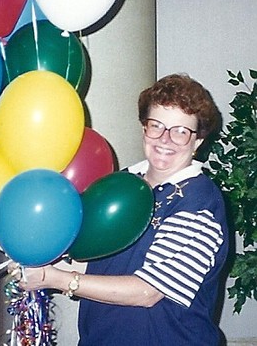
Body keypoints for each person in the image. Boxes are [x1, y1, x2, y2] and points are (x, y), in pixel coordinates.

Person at [15, 73, 228, 346]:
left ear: (197, 141)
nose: (165, 139)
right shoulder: (123, 182)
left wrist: (55, 279)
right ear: (144, 129)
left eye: (180, 131)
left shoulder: (200, 202)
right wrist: (12, 245)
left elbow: (148, 291)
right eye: (156, 126)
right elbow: (88, 253)